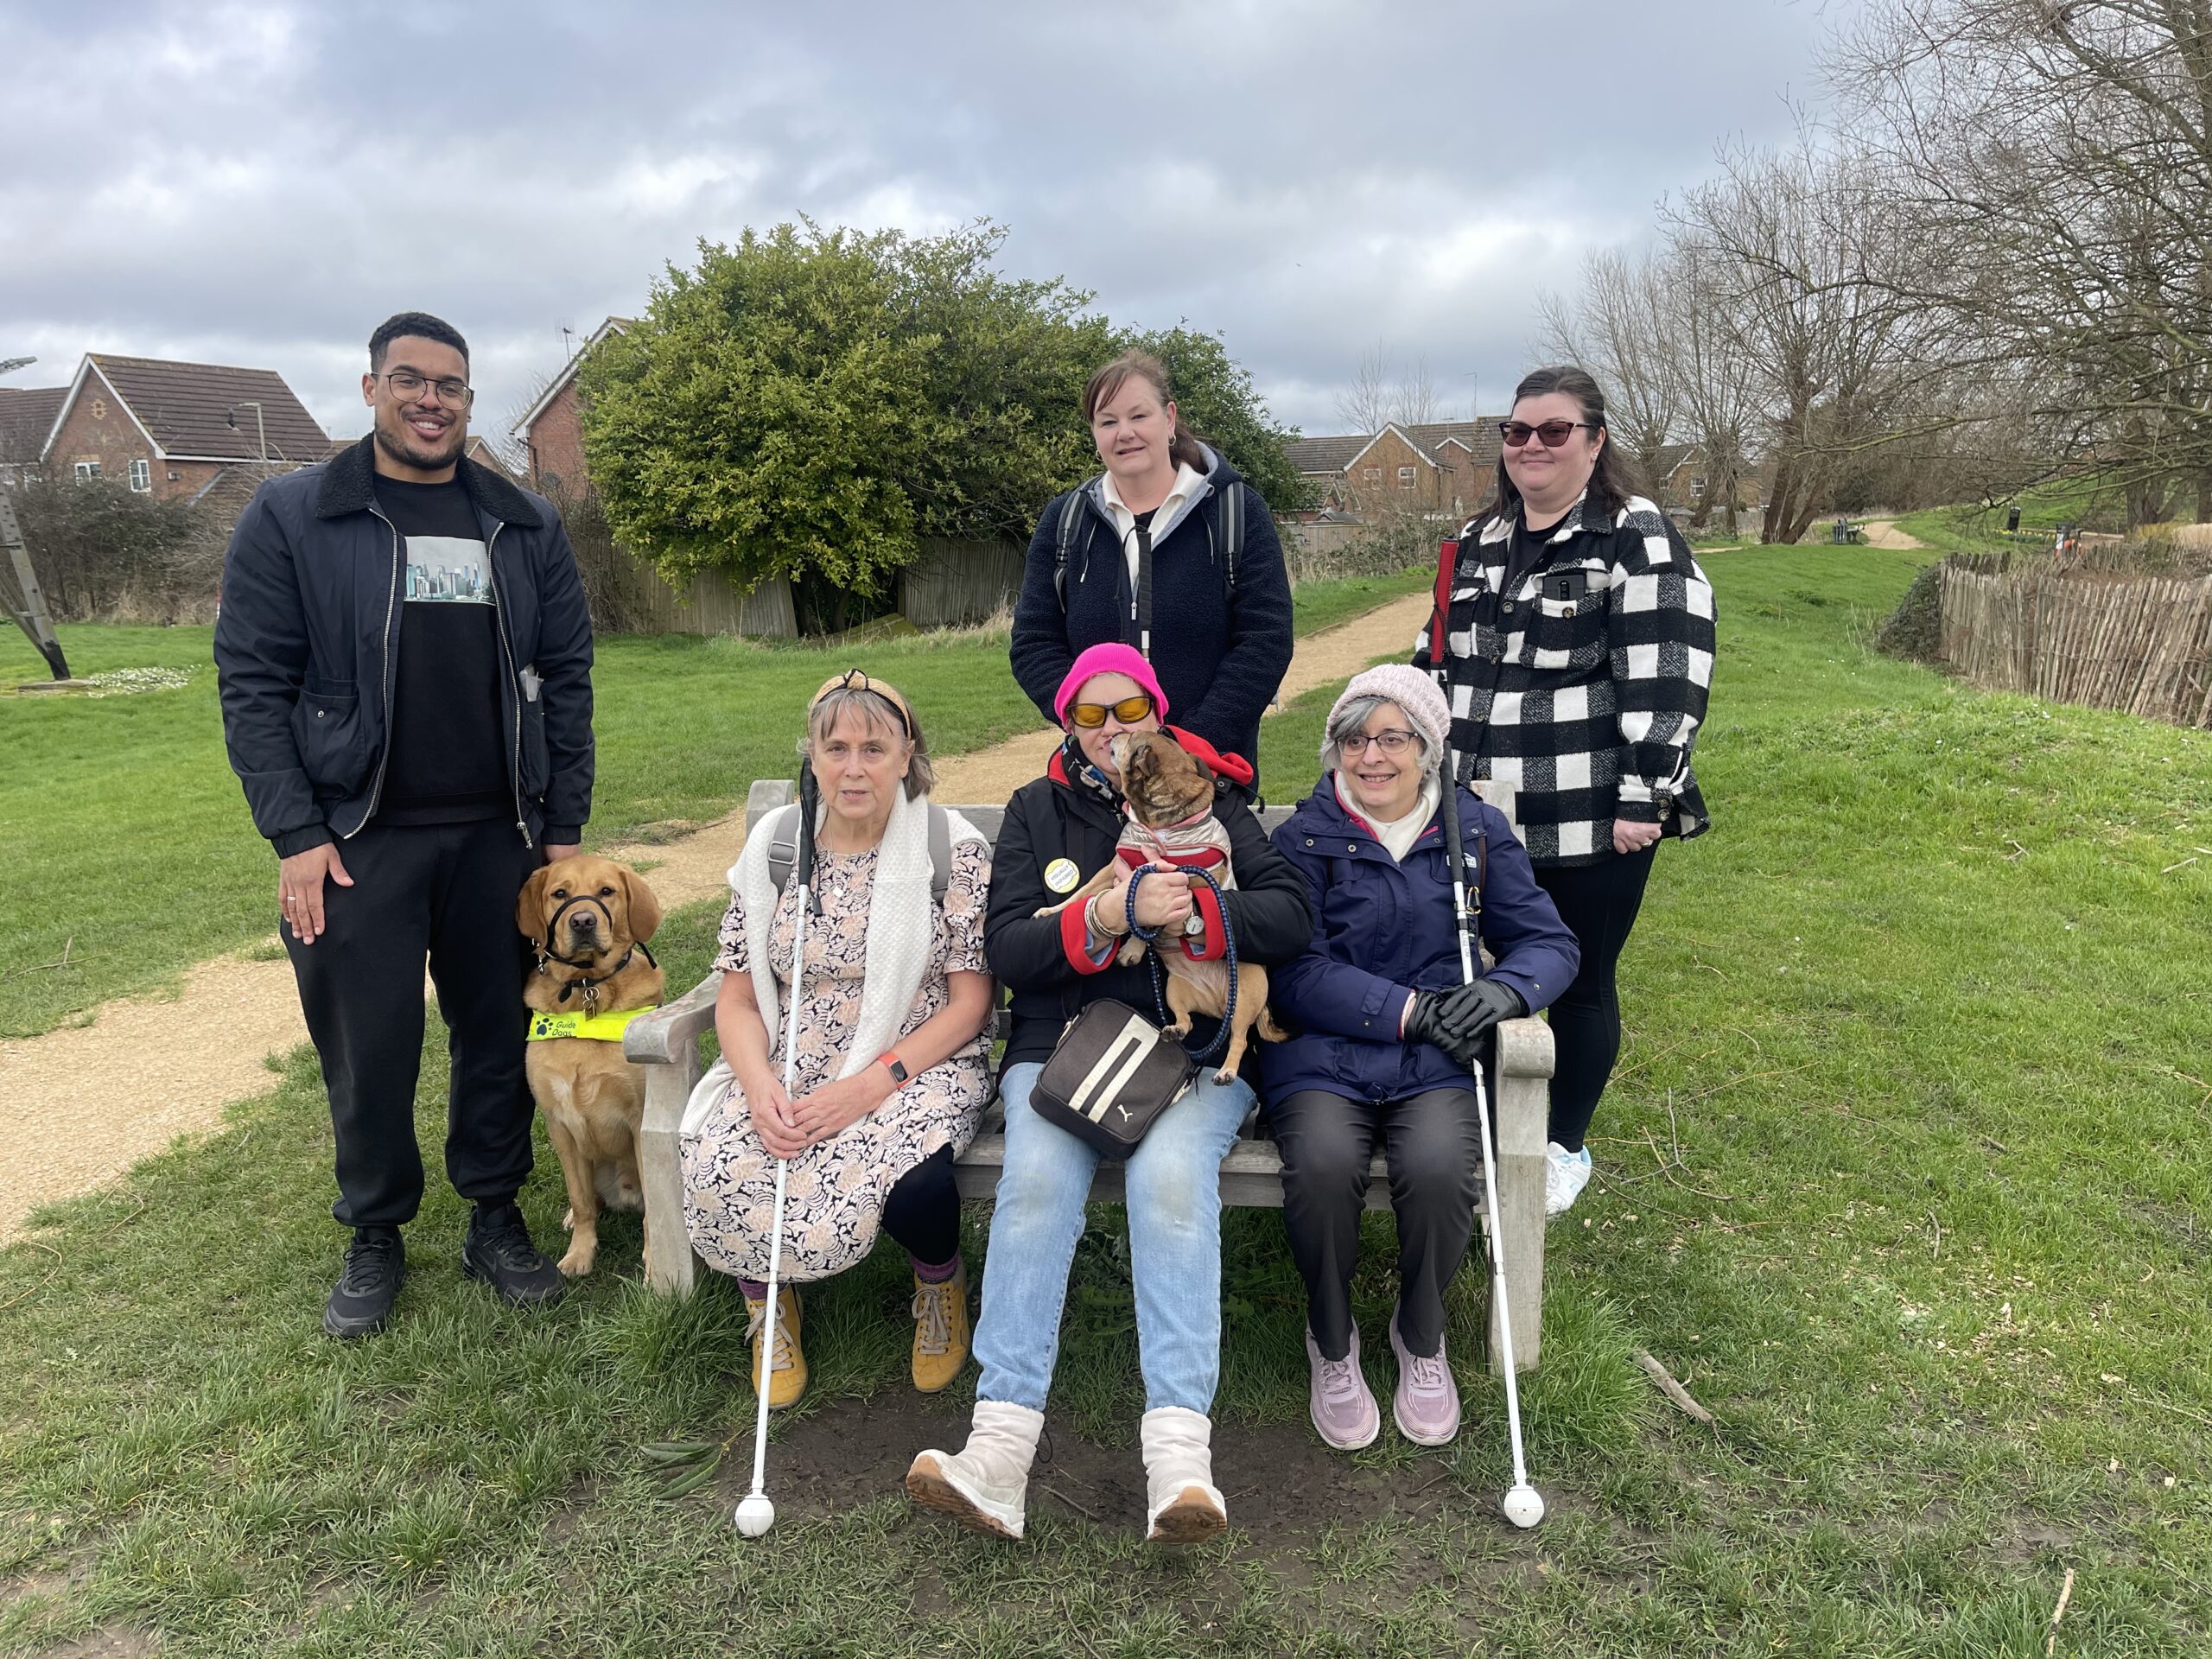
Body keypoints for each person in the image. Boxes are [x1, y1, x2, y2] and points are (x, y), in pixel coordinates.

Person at [213, 311, 595, 1338]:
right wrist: (296, 832)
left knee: (498, 1031)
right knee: (368, 1043)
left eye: (452, 387)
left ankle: (493, 1213)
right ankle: (375, 1230)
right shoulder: (295, 516)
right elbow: (253, 684)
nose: (433, 401)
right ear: (373, 387)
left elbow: (566, 679)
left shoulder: (523, 523)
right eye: (412, 381)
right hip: (355, 836)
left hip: (498, 835)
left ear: (469, 403)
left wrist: (562, 829)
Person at [906, 644, 1311, 1543]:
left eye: (1129, 713)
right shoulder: (1033, 811)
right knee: (1038, 1185)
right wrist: (1109, 915)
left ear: (1157, 718)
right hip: (1063, 1054)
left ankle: (1179, 1464)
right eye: (1090, 717)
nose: (1112, 733)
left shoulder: (1215, 802)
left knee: (1170, 1187)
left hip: (1190, 1052)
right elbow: (1009, 949)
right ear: (1066, 725)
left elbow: (1289, 914)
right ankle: (997, 1453)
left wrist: (1196, 913)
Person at [1415, 365, 1715, 1216]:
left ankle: (1560, 1146)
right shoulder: (1473, 544)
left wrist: (1645, 797)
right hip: (1476, 818)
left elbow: (1668, 670)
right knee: (1476, 970)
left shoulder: (1635, 538)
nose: (1532, 446)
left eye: (1554, 430)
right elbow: (1431, 660)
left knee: (1577, 982)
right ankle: (1481, 1125)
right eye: (1517, 432)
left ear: (1595, 440)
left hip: (1590, 819)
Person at [1266, 665, 1579, 1449]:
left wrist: (1507, 992)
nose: (1371, 756)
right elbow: (1291, 971)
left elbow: (1550, 942)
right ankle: (1332, 1339)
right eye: (1353, 738)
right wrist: (1403, 1010)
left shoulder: (1474, 834)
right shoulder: (1300, 840)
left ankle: (1420, 1330)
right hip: (1323, 1056)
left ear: (1429, 747)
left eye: (1392, 737)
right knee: (1325, 1162)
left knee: (1442, 1168)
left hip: (1440, 1060)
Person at [680, 672, 995, 1406]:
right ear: (813, 755)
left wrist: (865, 1086)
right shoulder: (779, 846)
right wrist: (760, 1086)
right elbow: (736, 995)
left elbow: (971, 1002)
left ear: (906, 753)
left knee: (914, 1179)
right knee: (730, 1150)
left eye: (874, 748)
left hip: (916, 1056)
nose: (855, 768)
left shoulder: (950, 847)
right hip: (792, 1052)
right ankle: (767, 1301)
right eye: (837, 747)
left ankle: (939, 1284)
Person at [1010, 351, 1294, 789]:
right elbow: (1033, 642)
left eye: (1138, 415)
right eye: (1107, 421)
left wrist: (1189, 742)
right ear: (1094, 433)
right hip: (1095, 779)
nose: (1125, 433)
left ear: (1169, 418)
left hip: (1205, 774)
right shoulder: (1063, 522)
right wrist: (1091, 727)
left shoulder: (1237, 512)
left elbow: (1266, 641)